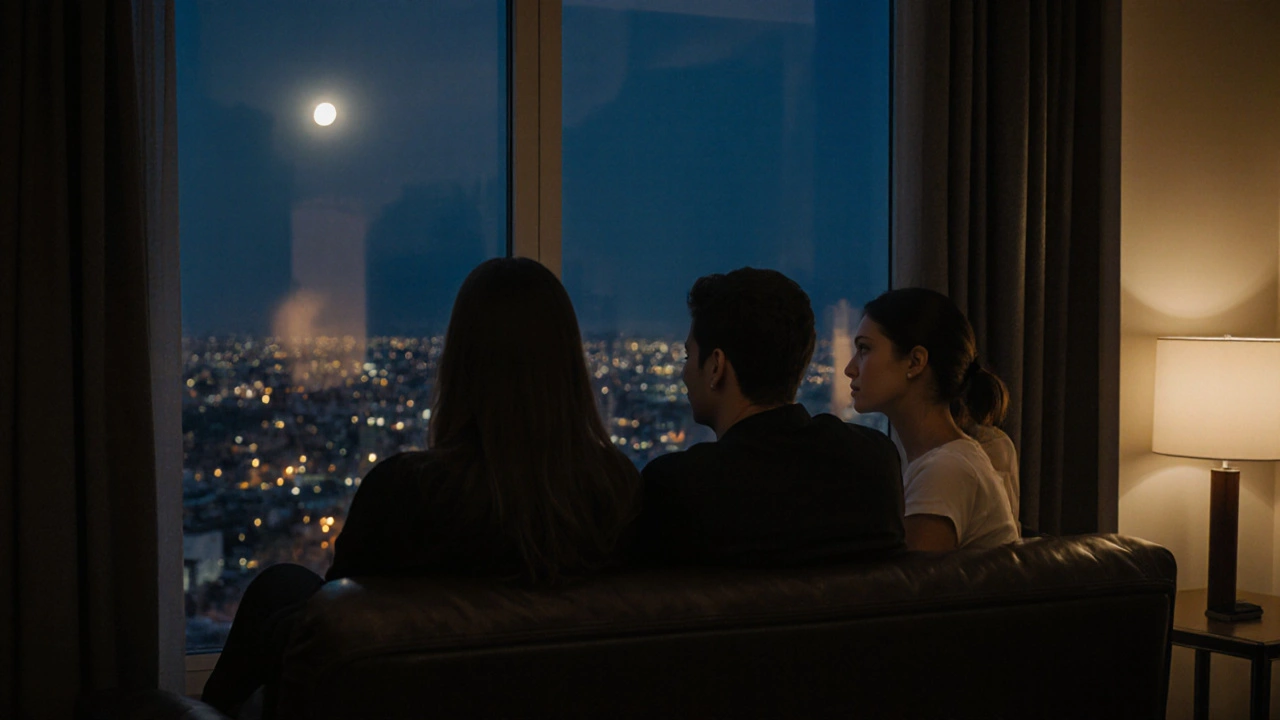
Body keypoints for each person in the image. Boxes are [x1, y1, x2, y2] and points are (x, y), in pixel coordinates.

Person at [202, 257, 642, 717]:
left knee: (280, 588)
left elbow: (338, 634)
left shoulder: (409, 492)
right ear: (569, 364)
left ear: (461, 363)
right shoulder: (616, 490)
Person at [632, 268, 905, 565]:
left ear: (715, 367)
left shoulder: (675, 489)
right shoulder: (875, 463)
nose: (684, 373)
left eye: (688, 357)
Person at [844, 287, 1019, 552]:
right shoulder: (938, 462)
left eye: (864, 349)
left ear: (915, 362)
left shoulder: (945, 470)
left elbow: (912, 590)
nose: (850, 368)